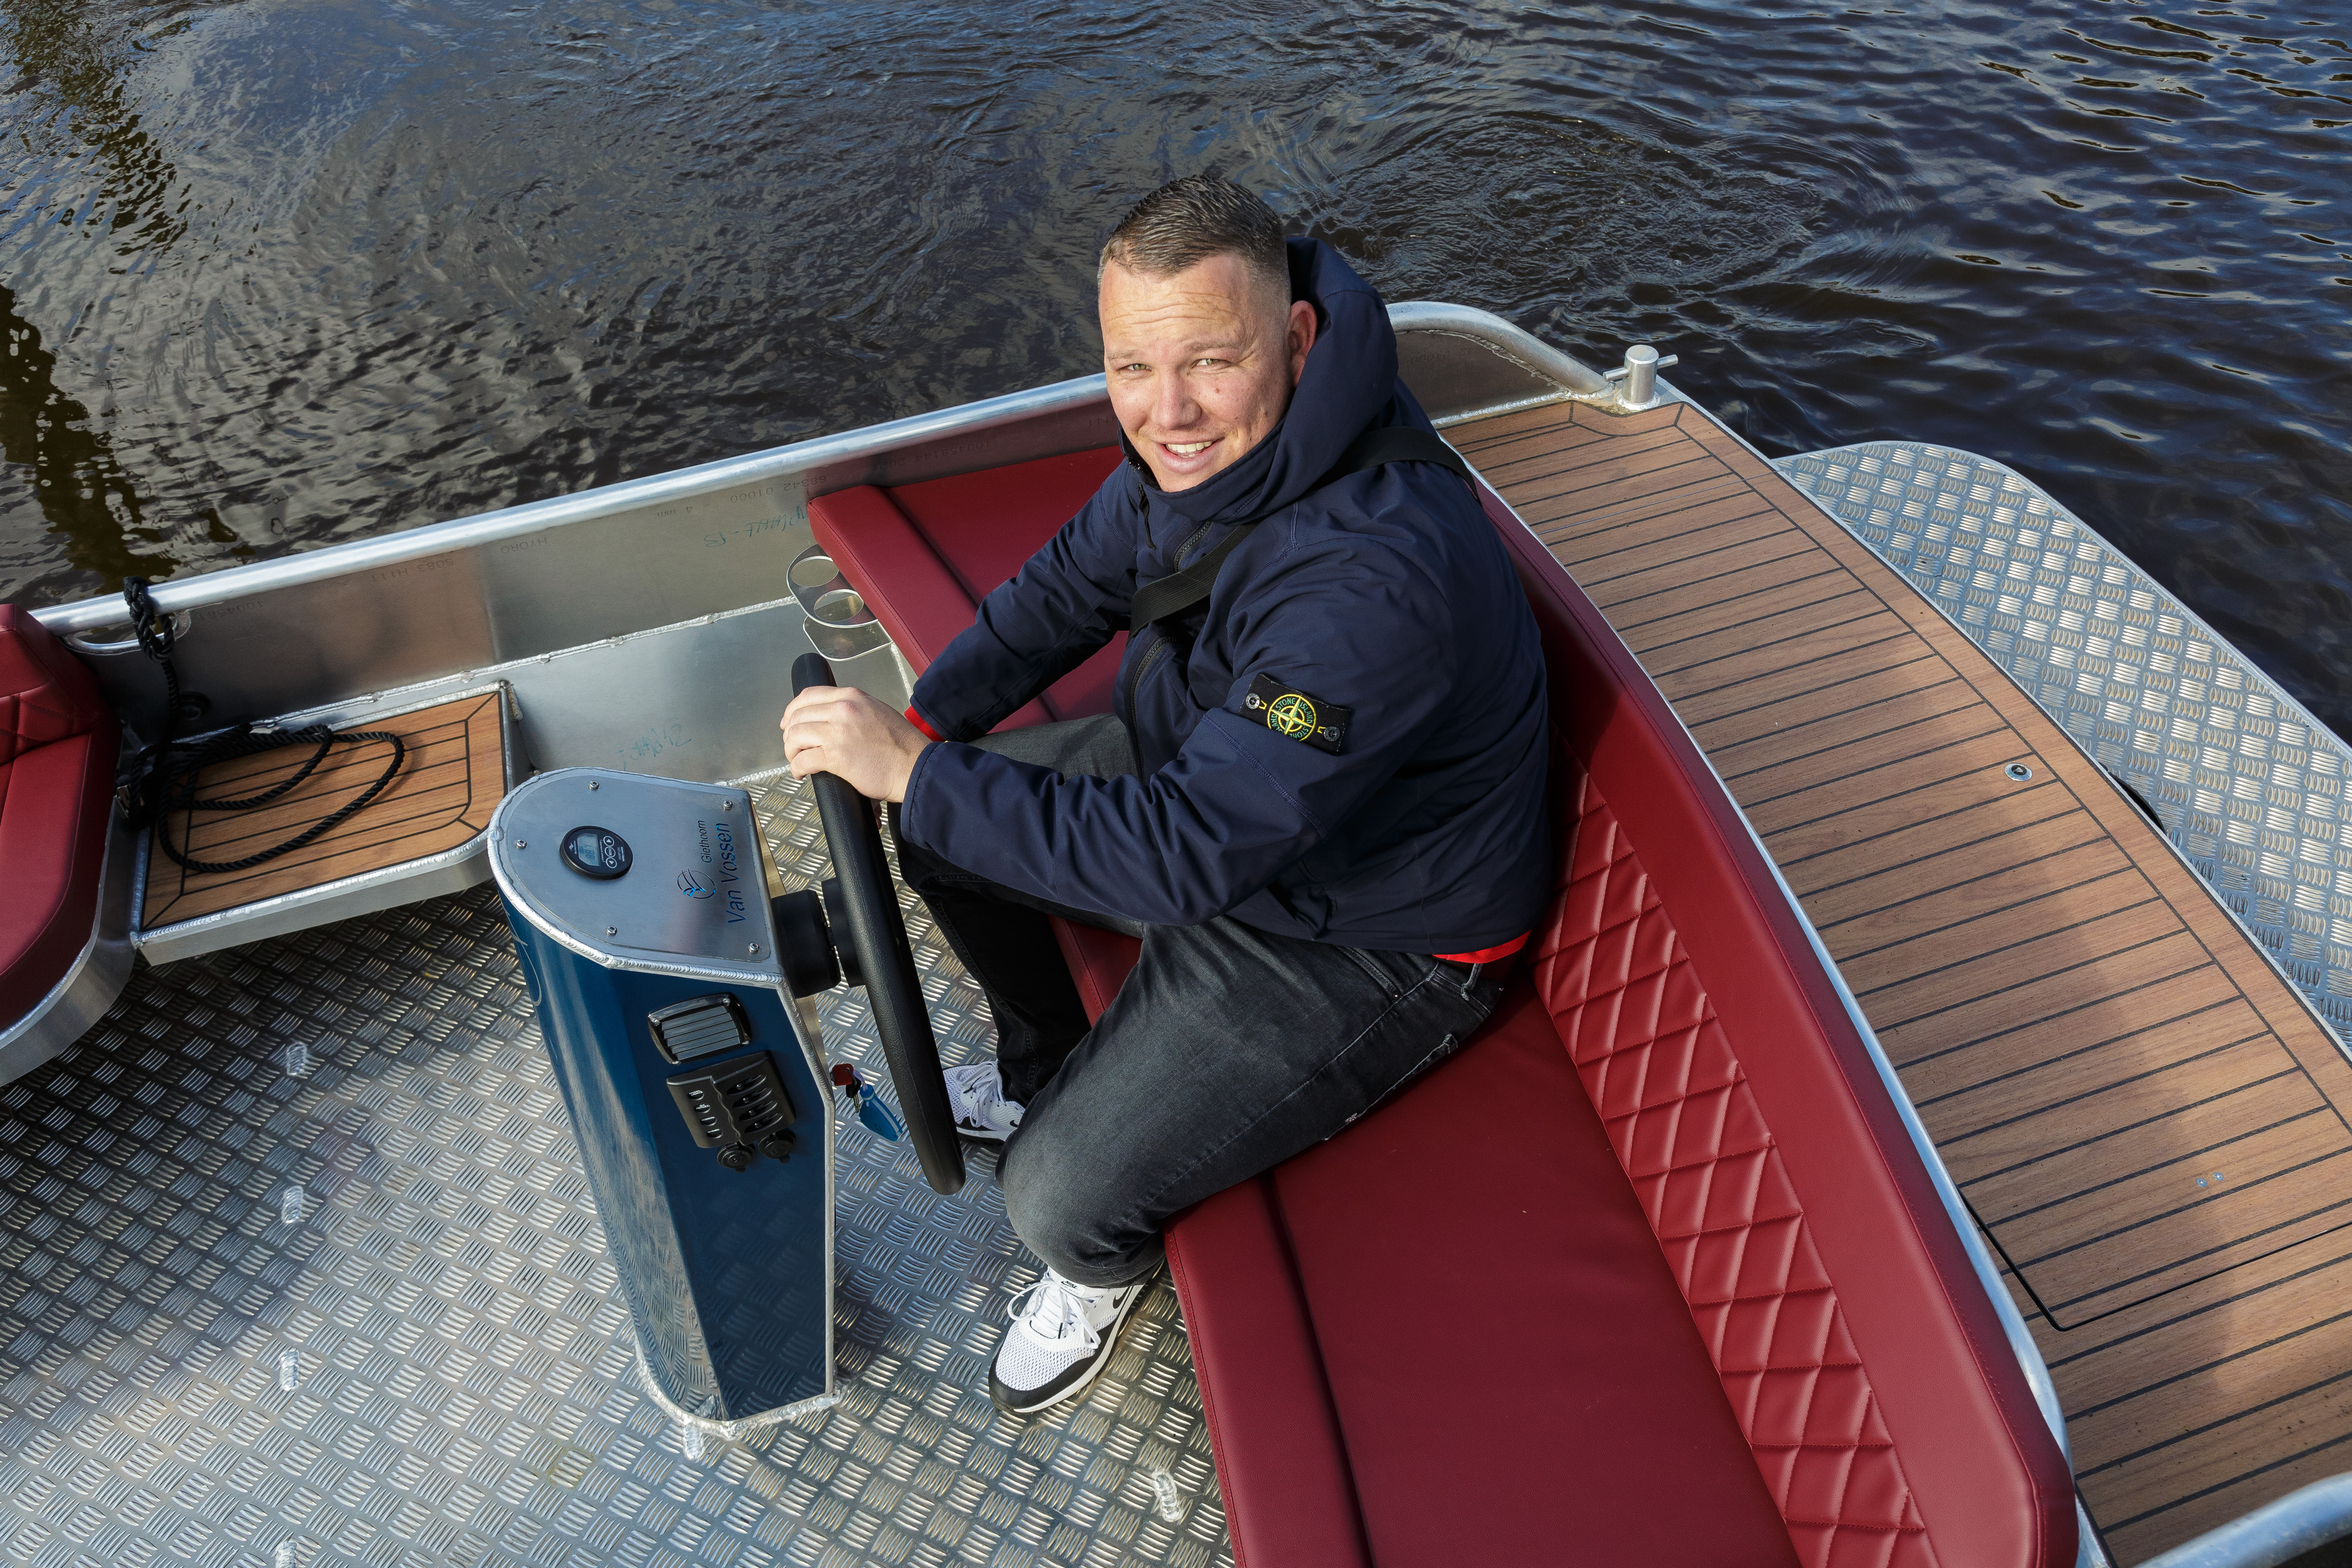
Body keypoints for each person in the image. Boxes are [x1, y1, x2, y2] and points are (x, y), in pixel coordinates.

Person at [780, 175, 1549, 1416]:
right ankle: (1049, 1064)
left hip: (1369, 930)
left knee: (1051, 1198)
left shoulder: (1373, 580)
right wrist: (928, 731)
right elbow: (1071, 583)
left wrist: (915, 769)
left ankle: (1102, 1251)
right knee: (948, 830)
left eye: (1208, 362)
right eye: (1131, 368)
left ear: (1295, 339)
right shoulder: (1218, 448)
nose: (1165, 410)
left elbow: (1186, 858)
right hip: (1229, 791)